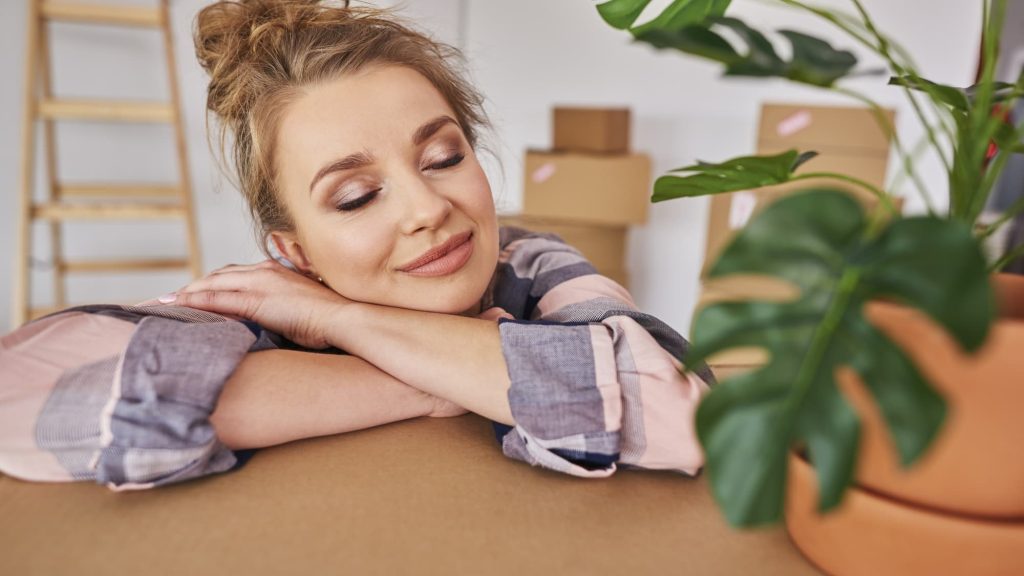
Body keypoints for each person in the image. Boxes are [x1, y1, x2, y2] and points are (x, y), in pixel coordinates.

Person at [0, 0, 713, 490]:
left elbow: (685, 414)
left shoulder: (528, 261)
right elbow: (21, 395)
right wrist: (427, 381)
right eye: (356, 197)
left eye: (442, 158)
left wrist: (350, 323)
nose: (429, 209)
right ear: (297, 254)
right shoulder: (271, 302)